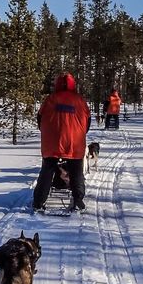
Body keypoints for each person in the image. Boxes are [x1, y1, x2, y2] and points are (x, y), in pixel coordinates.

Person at [32, 73, 91, 212]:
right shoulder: (80, 101)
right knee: (76, 171)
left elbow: (40, 119)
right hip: (74, 142)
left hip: (52, 143)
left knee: (47, 170)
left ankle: (39, 202)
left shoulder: (50, 100)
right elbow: (87, 122)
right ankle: (78, 200)